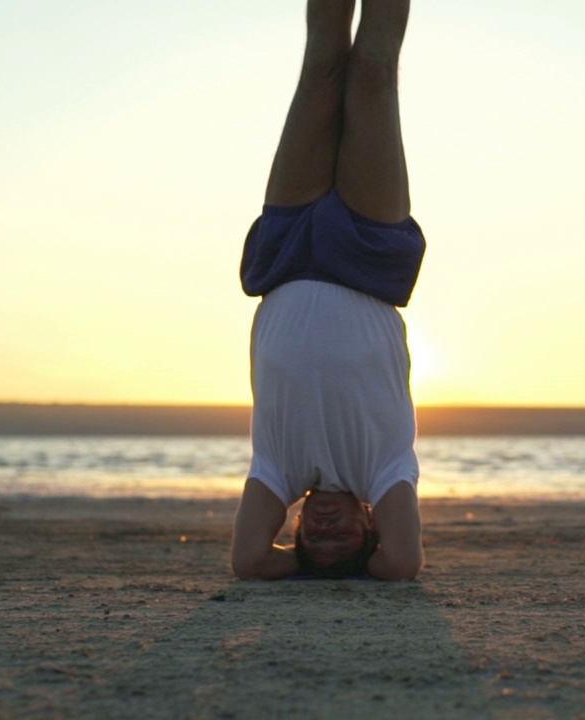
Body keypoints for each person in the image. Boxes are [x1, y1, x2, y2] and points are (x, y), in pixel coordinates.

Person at [229, 0, 424, 581]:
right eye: (346, 539)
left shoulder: (277, 473)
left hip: (288, 256)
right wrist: (346, 567)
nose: (327, 531)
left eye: (315, 542)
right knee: (373, 74)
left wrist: (308, 569)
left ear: (294, 529)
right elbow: (404, 563)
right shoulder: (384, 472)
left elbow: (248, 561)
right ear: (371, 524)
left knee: (320, 67)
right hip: (366, 258)